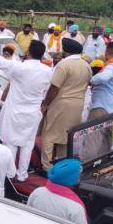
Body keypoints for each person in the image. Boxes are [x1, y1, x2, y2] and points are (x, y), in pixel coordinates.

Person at [0, 40, 52, 182]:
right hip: (32, 113)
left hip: (15, 113)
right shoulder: (48, 71)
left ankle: (9, 174)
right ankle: (22, 175)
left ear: (28, 53)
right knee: (27, 145)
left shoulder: (19, 68)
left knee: (11, 143)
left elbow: (0, 62)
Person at [40, 39, 92, 170]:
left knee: (49, 135)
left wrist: (45, 104)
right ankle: (61, 165)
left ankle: (47, 167)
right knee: (66, 136)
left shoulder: (64, 64)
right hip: (78, 105)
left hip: (61, 103)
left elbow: (54, 87)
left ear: (66, 51)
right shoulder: (86, 65)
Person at [27, 159, 87, 224]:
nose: (79, 178)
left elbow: (28, 213)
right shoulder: (76, 208)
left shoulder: (37, 192)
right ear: (72, 179)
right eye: (78, 175)